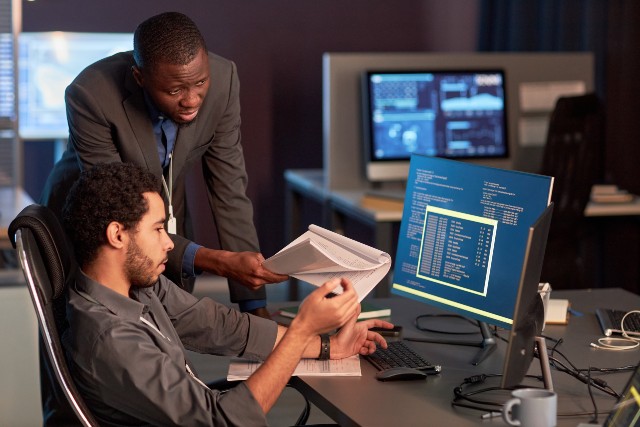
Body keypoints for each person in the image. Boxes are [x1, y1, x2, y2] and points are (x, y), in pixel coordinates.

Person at [60, 162, 392, 426]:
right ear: (117, 235)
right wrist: (303, 328)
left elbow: (215, 324)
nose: (169, 243)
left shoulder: (139, 286)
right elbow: (225, 421)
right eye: (159, 229)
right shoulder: (111, 340)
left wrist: (327, 346)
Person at [40, 11, 281, 317]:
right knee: (88, 337)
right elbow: (116, 206)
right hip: (93, 225)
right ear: (140, 77)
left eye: (199, 83)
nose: (192, 100)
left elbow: (229, 190)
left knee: (169, 334)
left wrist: (254, 303)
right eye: (174, 90)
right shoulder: (90, 94)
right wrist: (212, 260)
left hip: (167, 217)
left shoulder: (223, 81)